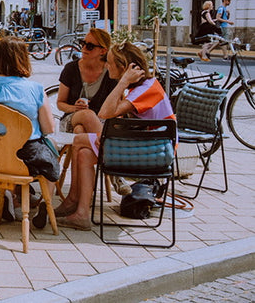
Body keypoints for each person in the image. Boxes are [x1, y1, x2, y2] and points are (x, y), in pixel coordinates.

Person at [55, 41, 175, 230]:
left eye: (109, 62)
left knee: (79, 140)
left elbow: (104, 113)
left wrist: (123, 82)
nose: (106, 65)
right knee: (84, 153)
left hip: (154, 153)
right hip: (149, 147)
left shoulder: (144, 89)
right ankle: (81, 213)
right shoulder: (145, 87)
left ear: (123, 67)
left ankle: (73, 200)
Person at [0, 37, 60, 227]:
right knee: (51, 155)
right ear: (22, 59)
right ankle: (45, 204)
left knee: (4, 148)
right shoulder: (35, 89)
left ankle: (7, 192)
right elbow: (48, 128)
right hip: (26, 156)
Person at [55, 28, 117, 133]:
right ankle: (103, 147)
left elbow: (117, 104)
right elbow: (60, 103)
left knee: (79, 131)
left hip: (101, 120)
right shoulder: (71, 69)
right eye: (82, 43)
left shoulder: (110, 72)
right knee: (87, 114)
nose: (83, 48)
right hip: (72, 118)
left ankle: (94, 147)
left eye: (90, 46)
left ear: (103, 51)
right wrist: (75, 108)